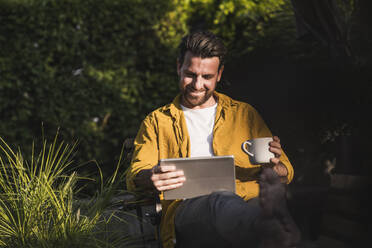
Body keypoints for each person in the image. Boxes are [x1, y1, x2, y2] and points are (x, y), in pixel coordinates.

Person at [126, 30, 300, 248]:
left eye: (207, 77)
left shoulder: (245, 114)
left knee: (251, 207)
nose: (197, 85)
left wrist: (275, 168)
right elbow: (135, 175)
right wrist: (150, 176)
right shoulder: (157, 121)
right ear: (178, 66)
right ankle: (269, 227)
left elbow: (286, 172)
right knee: (220, 201)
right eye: (190, 74)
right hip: (188, 210)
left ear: (219, 74)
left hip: (248, 201)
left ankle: (265, 225)